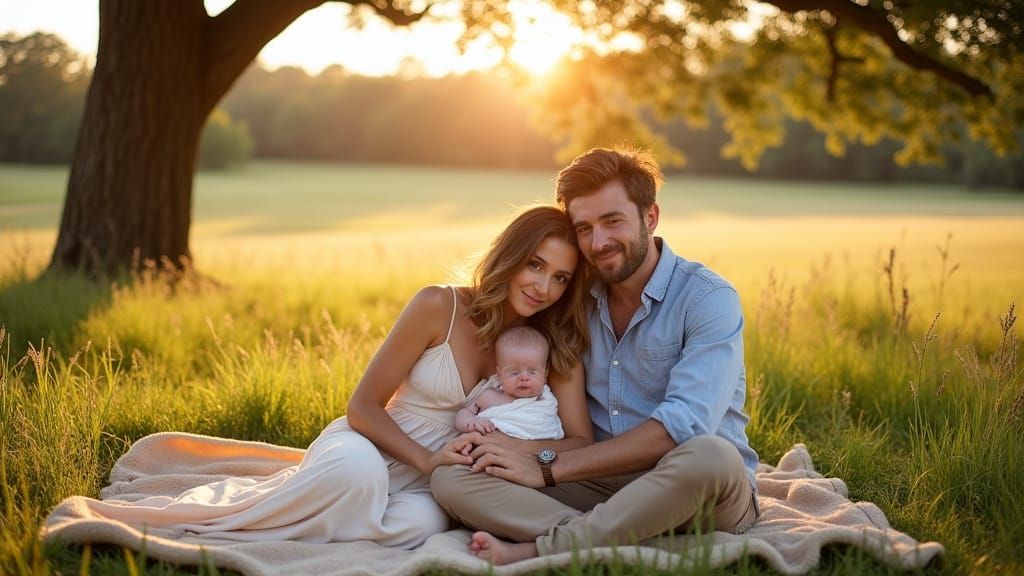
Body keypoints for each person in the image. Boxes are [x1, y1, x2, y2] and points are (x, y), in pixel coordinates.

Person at [63, 206, 593, 550]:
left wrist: (517, 451)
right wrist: (428, 456)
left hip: (438, 481)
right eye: (536, 265)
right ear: (511, 257)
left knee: (422, 528)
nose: (544, 286)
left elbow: (577, 441)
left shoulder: (553, 347)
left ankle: (315, 533)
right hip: (374, 444)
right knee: (353, 480)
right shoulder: (439, 305)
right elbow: (362, 406)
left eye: (561, 277)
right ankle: (220, 528)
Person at [431, 148, 760, 564]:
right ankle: (616, 538)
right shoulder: (572, 299)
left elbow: (683, 428)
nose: (598, 242)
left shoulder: (708, 299)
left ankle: (546, 547)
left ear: (651, 217)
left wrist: (546, 468)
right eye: (583, 228)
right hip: (597, 482)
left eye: (613, 221)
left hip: (693, 485)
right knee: (452, 477)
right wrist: (517, 449)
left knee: (712, 456)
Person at [455, 325, 564, 441]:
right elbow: (463, 414)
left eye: (532, 372)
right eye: (514, 373)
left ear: (545, 375)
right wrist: (472, 422)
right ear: (499, 374)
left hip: (532, 454)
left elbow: (551, 431)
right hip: (486, 451)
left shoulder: (545, 403)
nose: (524, 378)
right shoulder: (489, 397)